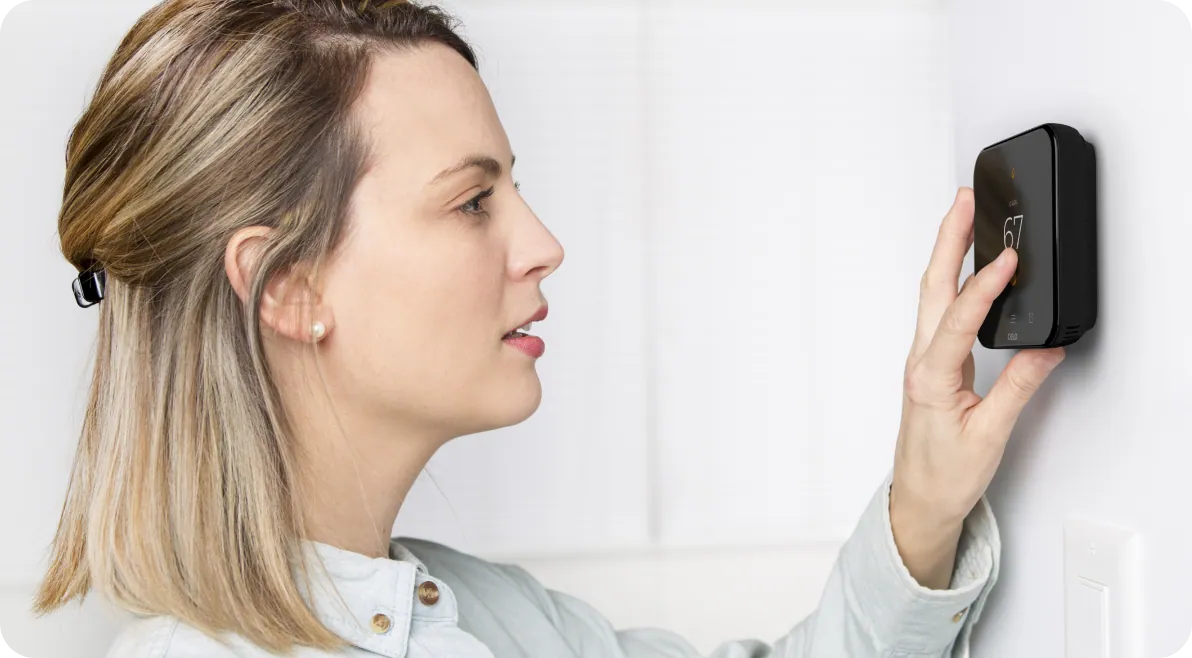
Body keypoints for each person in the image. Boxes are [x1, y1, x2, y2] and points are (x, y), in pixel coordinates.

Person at [33, 1, 1066, 656]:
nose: (543, 243)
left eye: (512, 188)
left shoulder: (491, 614)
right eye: (471, 202)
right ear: (287, 286)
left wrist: (925, 502)